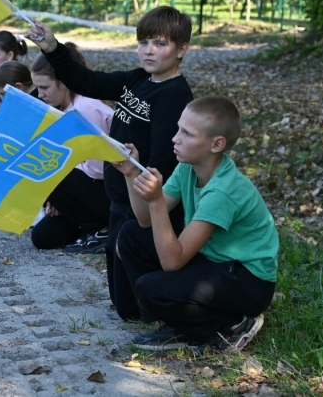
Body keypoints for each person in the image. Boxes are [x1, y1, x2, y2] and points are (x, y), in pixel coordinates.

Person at [25, 6, 194, 321]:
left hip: (139, 209)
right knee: (121, 303)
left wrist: (139, 218)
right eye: (143, 42)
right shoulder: (139, 78)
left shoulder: (174, 98)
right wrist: (52, 48)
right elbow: (88, 81)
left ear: (181, 49)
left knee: (132, 311)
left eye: (160, 44)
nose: (149, 51)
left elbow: (162, 168)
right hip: (116, 200)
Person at [113, 96, 278, 352]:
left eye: (187, 134)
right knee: (132, 234)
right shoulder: (188, 168)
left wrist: (156, 201)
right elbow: (144, 219)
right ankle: (179, 320)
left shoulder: (222, 191)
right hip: (214, 263)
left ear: (216, 144)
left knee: (150, 289)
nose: (175, 138)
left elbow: (172, 261)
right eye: (179, 129)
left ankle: (230, 325)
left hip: (247, 280)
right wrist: (132, 174)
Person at [28, 45, 113, 253]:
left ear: (64, 82)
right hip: (87, 191)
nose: (40, 94)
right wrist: (60, 198)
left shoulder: (86, 108)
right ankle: (88, 227)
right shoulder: (67, 106)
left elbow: (99, 170)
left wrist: (58, 185)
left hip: (111, 195)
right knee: (42, 238)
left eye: (45, 87)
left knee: (46, 170)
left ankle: (105, 230)